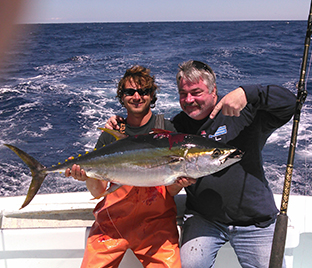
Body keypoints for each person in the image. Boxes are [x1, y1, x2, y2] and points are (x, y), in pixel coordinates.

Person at [106, 60, 296, 268]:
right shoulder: (176, 126)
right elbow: (145, 143)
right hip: (204, 220)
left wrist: (246, 93)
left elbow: (291, 104)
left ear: (214, 90)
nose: (189, 100)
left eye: (196, 92)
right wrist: (120, 122)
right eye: (183, 93)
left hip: (255, 222)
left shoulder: (242, 113)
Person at [65, 65, 192, 268]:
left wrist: (180, 182)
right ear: (122, 97)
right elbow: (99, 190)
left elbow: (169, 188)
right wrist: (86, 176)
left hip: (156, 226)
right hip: (111, 225)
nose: (136, 96)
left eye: (143, 92)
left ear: (152, 96)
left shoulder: (167, 130)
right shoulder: (112, 133)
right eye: (130, 92)